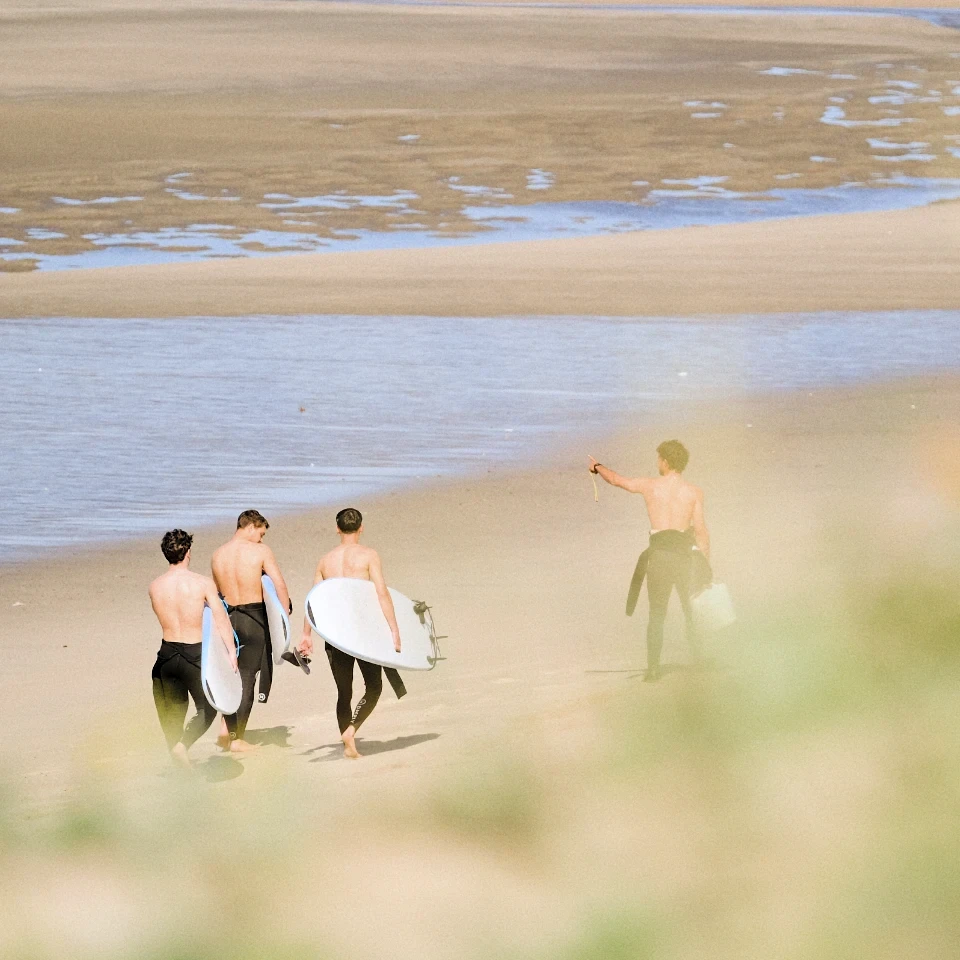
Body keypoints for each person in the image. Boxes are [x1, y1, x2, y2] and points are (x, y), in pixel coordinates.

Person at [589, 440, 710, 682]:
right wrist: (705, 567)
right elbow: (701, 532)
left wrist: (597, 467)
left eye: (658, 459)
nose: (657, 463)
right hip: (685, 558)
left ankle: (653, 670)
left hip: (659, 558)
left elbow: (616, 480)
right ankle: (698, 661)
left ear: (665, 461)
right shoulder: (694, 492)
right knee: (691, 611)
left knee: (657, 614)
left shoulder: (650, 486)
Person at [297, 507, 403, 759]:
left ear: (337, 528)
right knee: (374, 687)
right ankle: (352, 730)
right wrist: (394, 629)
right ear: (361, 527)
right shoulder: (368, 556)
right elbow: (381, 592)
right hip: (363, 633)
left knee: (344, 692)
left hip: (335, 636)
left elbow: (313, 601)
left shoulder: (325, 561)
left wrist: (306, 635)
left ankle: (349, 745)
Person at [149, 528, 237, 768]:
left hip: (166, 656)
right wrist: (231, 653)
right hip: (194, 655)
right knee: (208, 706)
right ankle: (182, 748)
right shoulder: (202, 583)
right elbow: (221, 620)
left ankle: (178, 763)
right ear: (188, 552)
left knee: (172, 715)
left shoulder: (155, 586)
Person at [211, 509, 291, 753]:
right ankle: (237, 739)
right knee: (247, 678)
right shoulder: (260, 552)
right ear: (250, 526)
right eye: (261, 533)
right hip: (253, 619)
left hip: (227, 620)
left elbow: (216, 596)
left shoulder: (217, 554)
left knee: (229, 675)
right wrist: (284, 617)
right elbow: (278, 584)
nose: (262, 539)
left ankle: (226, 728)